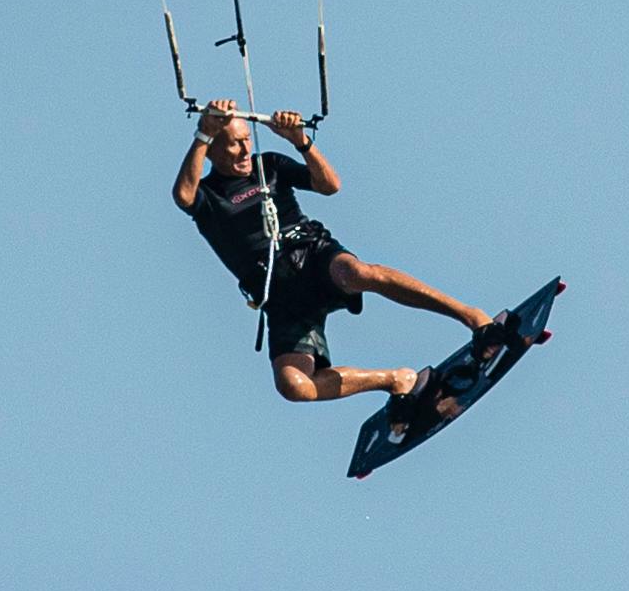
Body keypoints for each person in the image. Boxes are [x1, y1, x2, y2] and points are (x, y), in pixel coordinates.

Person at [173, 101, 494, 412]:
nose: (244, 151)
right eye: (233, 145)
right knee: (293, 385)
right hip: (279, 295)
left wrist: (301, 141)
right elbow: (183, 196)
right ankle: (397, 380)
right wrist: (203, 134)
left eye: (246, 140)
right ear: (212, 150)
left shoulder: (268, 165)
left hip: (311, 255)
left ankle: (473, 317)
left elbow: (330, 185)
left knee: (360, 274)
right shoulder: (208, 196)